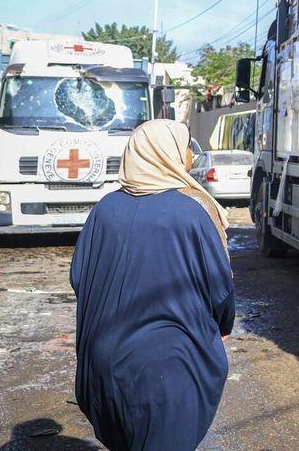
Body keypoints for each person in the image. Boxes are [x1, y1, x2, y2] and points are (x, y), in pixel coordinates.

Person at [70, 119, 233, 451]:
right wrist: (222, 325)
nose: (189, 154)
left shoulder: (103, 210)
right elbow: (220, 288)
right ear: (166, 153)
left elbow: (79, 277)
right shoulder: (190, 213)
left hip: (104, 365)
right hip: (168, 371)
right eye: (185, 146)